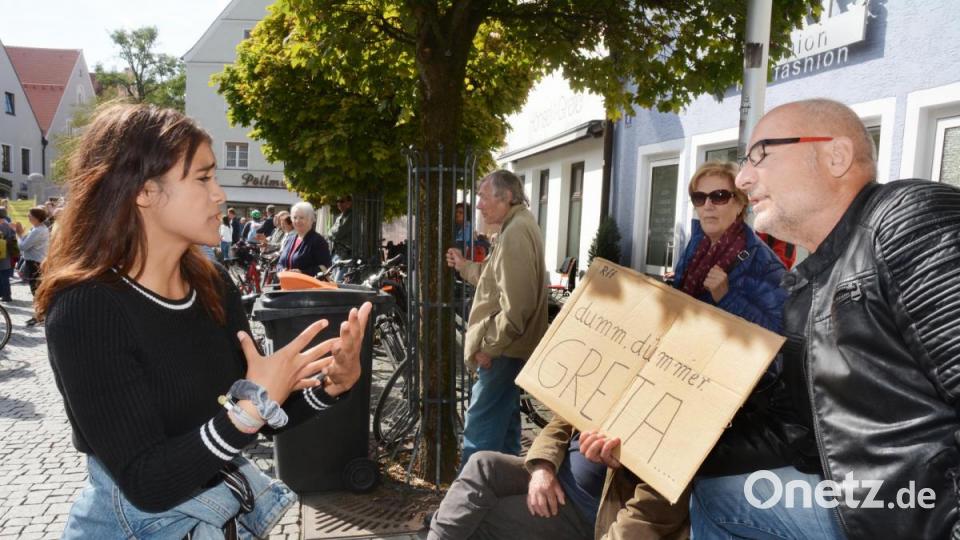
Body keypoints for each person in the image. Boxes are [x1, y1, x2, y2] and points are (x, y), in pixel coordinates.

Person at [36, 103, 373, 538]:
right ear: (143, 190)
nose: (219, 194)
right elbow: (148, 481)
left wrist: (332, 385)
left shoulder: (212, 284)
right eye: (202, 177)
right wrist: (251, 408)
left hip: (220, 515)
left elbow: (257, 414)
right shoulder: (87, 309)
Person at [432, 162, 787, 539]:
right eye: (699, 198)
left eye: (719, 196)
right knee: (484, 467)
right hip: (656, 384)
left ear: (740, 201)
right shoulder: (696, 248)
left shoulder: (760, 261)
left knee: (485, 512)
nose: (708, 206)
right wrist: (542, 465)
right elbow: (676, 312)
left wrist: (726, 297)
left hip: (698, 401)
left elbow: (769, 349)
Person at [686, 98, 960, 539]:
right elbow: (797, 431)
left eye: (761, 154)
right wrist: (669, 451)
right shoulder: (808, 289)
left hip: (925, 515)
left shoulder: (909, 219)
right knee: (716, 492)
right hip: (873, 502)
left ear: (836, 156)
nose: (743, 177)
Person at [445, 170, 549, 468]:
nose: (478, 205)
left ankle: (464, 508)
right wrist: (464, 266)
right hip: (511, 349)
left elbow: (518, 306)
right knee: (505, 433)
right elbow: (494, 280)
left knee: (479, 432)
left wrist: (489, 347)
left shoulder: (515, 232)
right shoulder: (515, 225)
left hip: (503, 350)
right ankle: (502, 500)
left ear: (506, 198)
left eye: (483, 197)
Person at [14, 207, 50, 326]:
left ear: (36, 218)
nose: (28, 218)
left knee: (36, 290)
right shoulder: (37, 228)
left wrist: (18, 234)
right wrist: (21, 234)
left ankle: (40, 316)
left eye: (30, 216)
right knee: (36, 290)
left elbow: (23, 246)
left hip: (36, 263)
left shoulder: (38, 230)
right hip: (35, 261)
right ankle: (39, 315)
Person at [278, 201, 332, 277]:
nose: (297, 221)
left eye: (301, 217)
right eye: (295, 217)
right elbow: (280, 263)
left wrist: (302, 272)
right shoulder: (289, 239)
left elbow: (326, 268)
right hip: (287, 286)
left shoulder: (318, 241)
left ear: (311, 219)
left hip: (309, 288)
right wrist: (282, 271)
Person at [328, 195, 353, 271]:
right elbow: (330, 233)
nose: (339, 203)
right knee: (333, 281)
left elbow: (337, 234)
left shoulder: (351, 216)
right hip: (337, 253)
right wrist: (331, 233)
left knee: (338, 282)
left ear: (349, 202)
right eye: (337, 201)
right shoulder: (340, 216)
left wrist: (331, 233)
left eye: (342, 201)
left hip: (346, 255)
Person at [0, 208, 15, 302]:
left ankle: (6, 295)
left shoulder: (2, 225)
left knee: (3, 276)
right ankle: (5, 295)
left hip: (2, 253)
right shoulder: (9, 224)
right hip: (7, 253)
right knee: (4, 275)